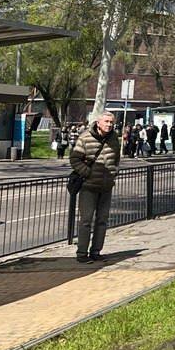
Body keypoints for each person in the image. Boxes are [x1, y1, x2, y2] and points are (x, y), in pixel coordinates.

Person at [70, 111, 121, 263]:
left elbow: (116, 158)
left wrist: (114, 172)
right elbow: (75, 159)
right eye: (106, 121)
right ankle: (82, 253)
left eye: (111, 122)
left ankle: (96, 251)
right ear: (98, 123)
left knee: (102, 220)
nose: (109, 125)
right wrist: (87, 173)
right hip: (89, 186)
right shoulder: (85, 137)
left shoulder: (114, 138)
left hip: (106, 186)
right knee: (86, 221)